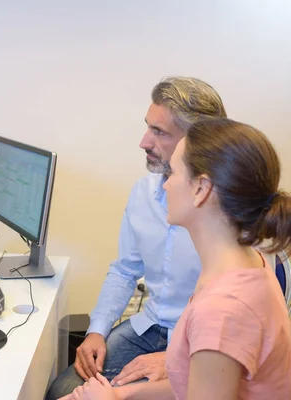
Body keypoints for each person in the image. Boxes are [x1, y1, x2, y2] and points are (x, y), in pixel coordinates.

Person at [60, 118, 291, 399]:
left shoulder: (222, 310)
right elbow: (195, 384)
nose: (165, 185)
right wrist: (120, 396)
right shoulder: (244, 262)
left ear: (201, 189)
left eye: (172, 173)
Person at [46, 77, 228, 399]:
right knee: (63, 390)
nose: (144, 142)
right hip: (151, 325)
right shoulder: (144, 192)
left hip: (201, 344)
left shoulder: (227, 211)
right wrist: (96, 332)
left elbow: (234, 318)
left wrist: (177, 358)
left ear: (198, 142)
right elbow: (125, 270)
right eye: (148, 127)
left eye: (159, 132)